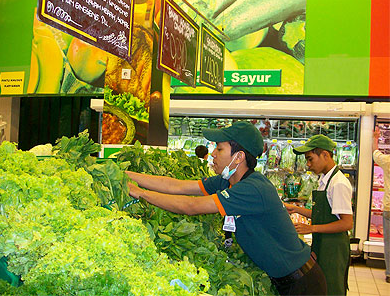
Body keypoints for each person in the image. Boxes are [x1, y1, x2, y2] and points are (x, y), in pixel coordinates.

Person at [127, 121, 327, 296]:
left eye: (219, 149)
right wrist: (128, 175)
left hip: (302, 284)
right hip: (284, 279)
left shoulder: (253, 188)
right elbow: (177, 186)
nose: (212, 153)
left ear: (238, 157)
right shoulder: (226, 181)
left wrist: (140, 193)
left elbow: (190, 205)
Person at [285, 134, 353, 295]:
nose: (308, 165)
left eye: (310, 159)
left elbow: (346, 223)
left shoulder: (338, 184)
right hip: (324, 243)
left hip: (334, 248)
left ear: (325, 155)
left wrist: (311, 228)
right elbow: (325, 215)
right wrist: (295, 209)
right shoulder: (325, 181)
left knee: (332, 288)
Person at [373, 126, 390, 283]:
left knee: (389, 242)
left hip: (389, 208)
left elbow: (375, 154)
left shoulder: (387, 160)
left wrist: (375, 138)